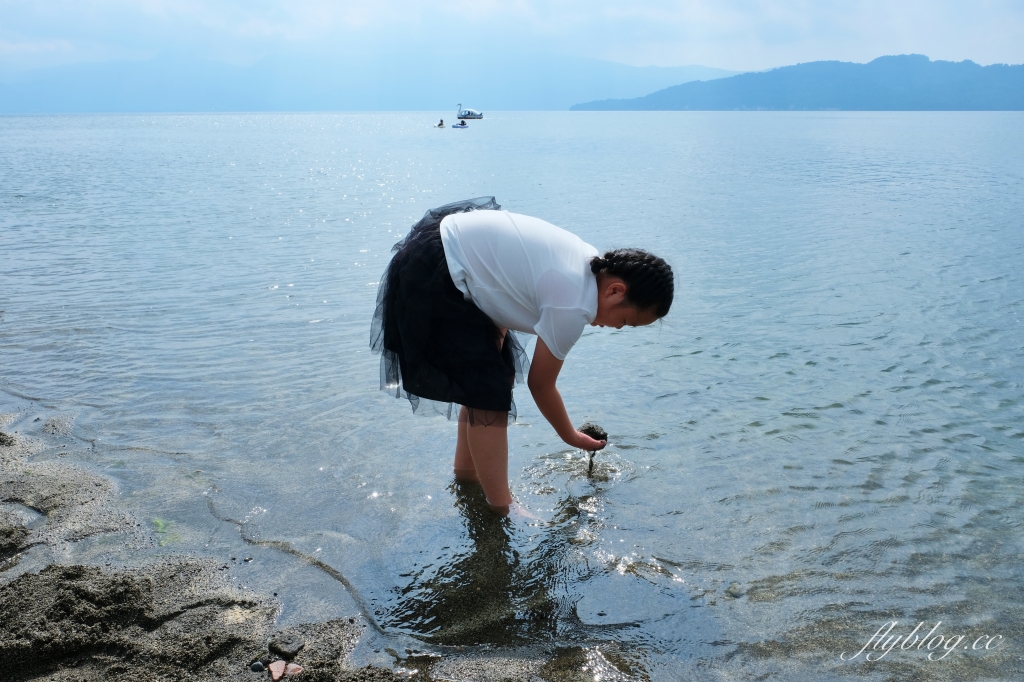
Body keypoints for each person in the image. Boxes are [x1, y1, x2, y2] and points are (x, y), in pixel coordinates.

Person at [371, 198, 673, 516]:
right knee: (489, 394)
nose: (615, 327)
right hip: (440, 267)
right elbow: (541, 384)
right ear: (615, 291)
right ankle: (502, 508)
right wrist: (570, 436)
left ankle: (466, 476)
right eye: (624, 321)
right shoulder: (574, 305)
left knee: (486, 382)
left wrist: (492, 348)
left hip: (447, 244)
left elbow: (506, 283)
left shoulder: (588, 262)